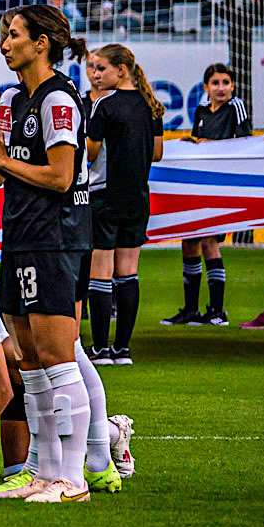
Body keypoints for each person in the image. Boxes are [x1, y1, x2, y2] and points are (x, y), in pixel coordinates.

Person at [0, 5, 101, 502]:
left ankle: (74, 478)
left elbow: (62, 177)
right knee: (30, 363)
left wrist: (0, 156)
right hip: (20, 235)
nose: (4, 44)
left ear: (42, 43)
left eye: (14, 35)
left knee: (57, 358)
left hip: (55, 239)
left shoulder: (58, 99)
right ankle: (44, 472)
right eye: (3, 35)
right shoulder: (14, 100)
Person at [85, 45, 162, 363]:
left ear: (121, 70)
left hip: (105, 194)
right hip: (137, 197)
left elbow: (90, 153)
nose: (96, 75)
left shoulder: (104, 104)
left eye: (101, 68)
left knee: (100, 274)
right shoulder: (151, 106)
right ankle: (123, 349)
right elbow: (157, 153)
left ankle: (101, 348)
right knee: (128, 272)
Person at [172, 63, 249, 326]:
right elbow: (197, 142)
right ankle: (191, 310)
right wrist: (190, 143)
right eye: (215, 83)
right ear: (206, 87)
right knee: (189, 242)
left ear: (233, 86)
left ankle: (217, 311)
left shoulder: (235, 107)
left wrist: (212, 146)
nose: (221, 88)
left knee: (209, 242)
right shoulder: (201, 111)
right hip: (199, 185)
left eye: (226, 82)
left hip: (222, 186)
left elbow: (245, 143)